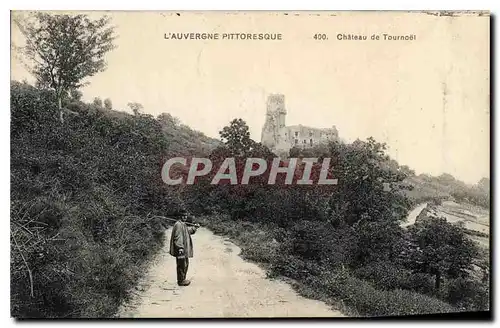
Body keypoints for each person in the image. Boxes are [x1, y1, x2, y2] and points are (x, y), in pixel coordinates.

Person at [169, 209, 200, 286]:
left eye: (186, 216)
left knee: (185, 263)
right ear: (180, 216)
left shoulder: (183, 224)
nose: (185, 217)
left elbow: (187, 232)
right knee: (181, 264)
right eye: (183, 216)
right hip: (181, 250)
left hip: (183, 249)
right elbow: (177, 237)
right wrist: (180, 248)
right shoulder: (178, 225)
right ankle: (181, 280)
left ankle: (183, 279)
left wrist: (194, 228)